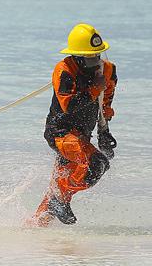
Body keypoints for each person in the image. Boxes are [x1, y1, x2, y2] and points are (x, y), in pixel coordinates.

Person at [29, 23, 118, 226]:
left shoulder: (108, 70)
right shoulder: (65, 70)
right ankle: (57, 201)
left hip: (83, 136)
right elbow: (69, 105)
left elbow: (105, 102)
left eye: (97, 56)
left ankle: (33, 229)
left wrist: (104, 132)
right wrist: (94, 90)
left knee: (58, 192)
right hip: (61, 134)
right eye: (89, 59)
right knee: (97, 165)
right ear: (77, 56)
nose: (95, 62)